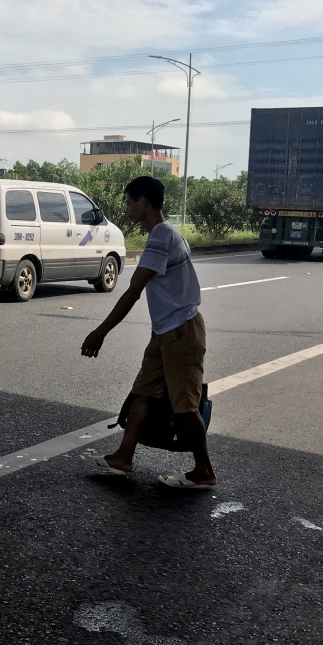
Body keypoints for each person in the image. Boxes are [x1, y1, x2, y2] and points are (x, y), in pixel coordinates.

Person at [78, 176, 216, 489]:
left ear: (143, 203)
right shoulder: (166, 233)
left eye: (129, 202)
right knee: (143, 392)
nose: (126, 208)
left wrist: (101, 332)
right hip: (166, 331)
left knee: (185, 406)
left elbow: (133, 291)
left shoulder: (160, 236)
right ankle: (123, 457)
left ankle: (204, 471)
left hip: (181, 332)